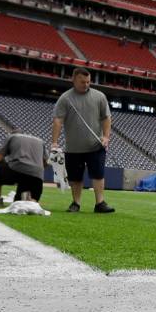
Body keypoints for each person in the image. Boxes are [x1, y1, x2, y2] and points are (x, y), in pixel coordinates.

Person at [51, 67, 114, 213]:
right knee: (75, 178)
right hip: (73, 147)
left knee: (98, 174)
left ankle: (100, 203)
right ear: (73, 80)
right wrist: (54, 142)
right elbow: (58, 120)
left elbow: (106, 118)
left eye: (88, 82)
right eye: (82, 82)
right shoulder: (65, 98)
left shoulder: (99, 96)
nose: (86, 85)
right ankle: (76, 203)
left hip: (96, 146)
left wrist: (106, 137)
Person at [0, 130, 48, 204]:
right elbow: (46, 163)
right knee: (21, 202)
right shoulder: (40, 141)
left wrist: (9, 160)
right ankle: (31, 198)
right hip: (37, 177)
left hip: (17, 171)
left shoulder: (12, 137)